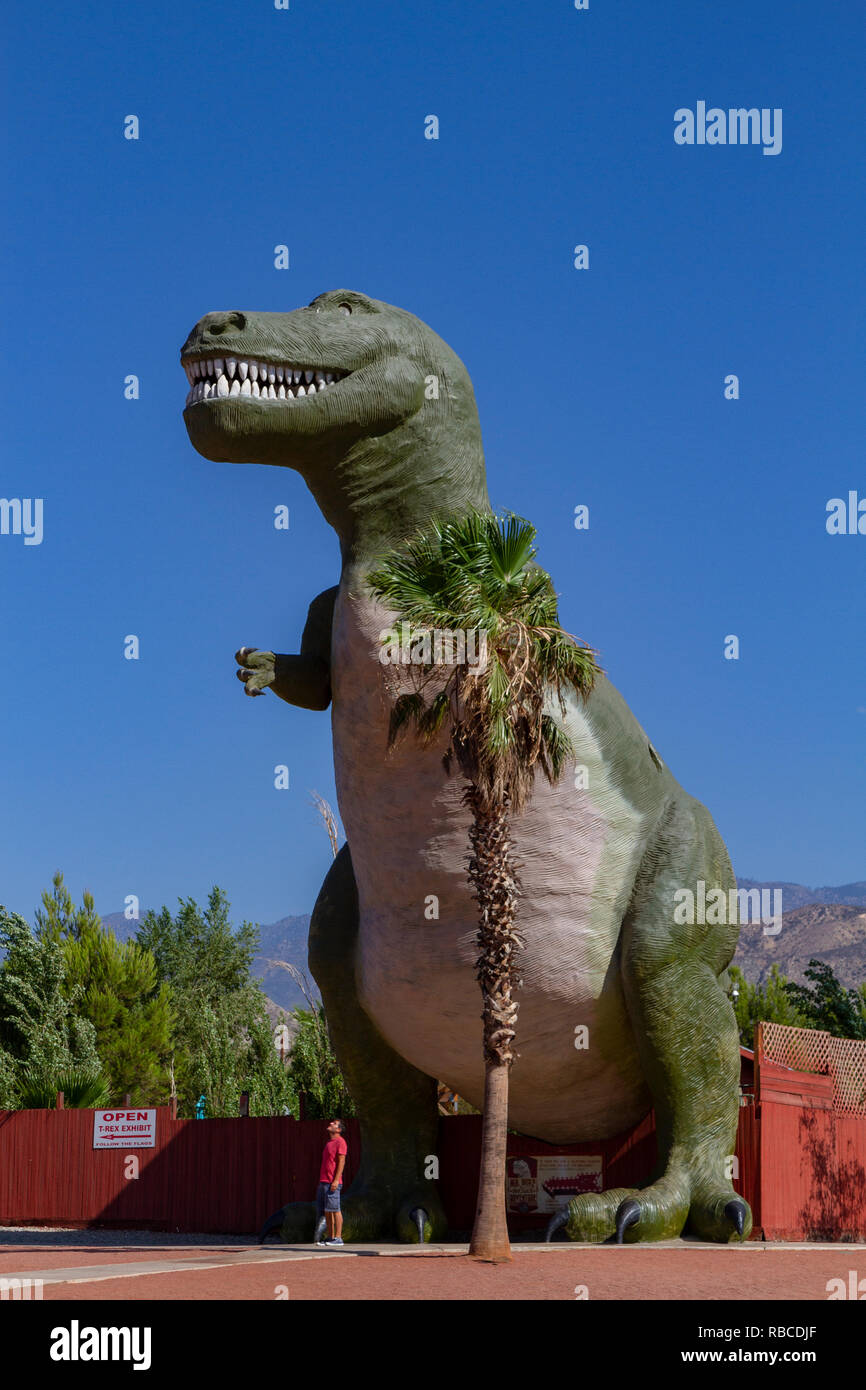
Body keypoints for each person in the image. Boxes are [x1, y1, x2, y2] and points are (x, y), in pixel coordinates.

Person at [316, 1119, 347, 1247]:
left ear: (339, 1130)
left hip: (332, 1182)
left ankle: (338, 1238)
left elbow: (341, 1162)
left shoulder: (340, 1142)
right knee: (327, 1211)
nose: (330, 1124)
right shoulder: (329, 1142)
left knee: (335, 1209)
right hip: (324, 1181)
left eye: (334, 1124)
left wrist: (335, 1180)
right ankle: (330, 1237)